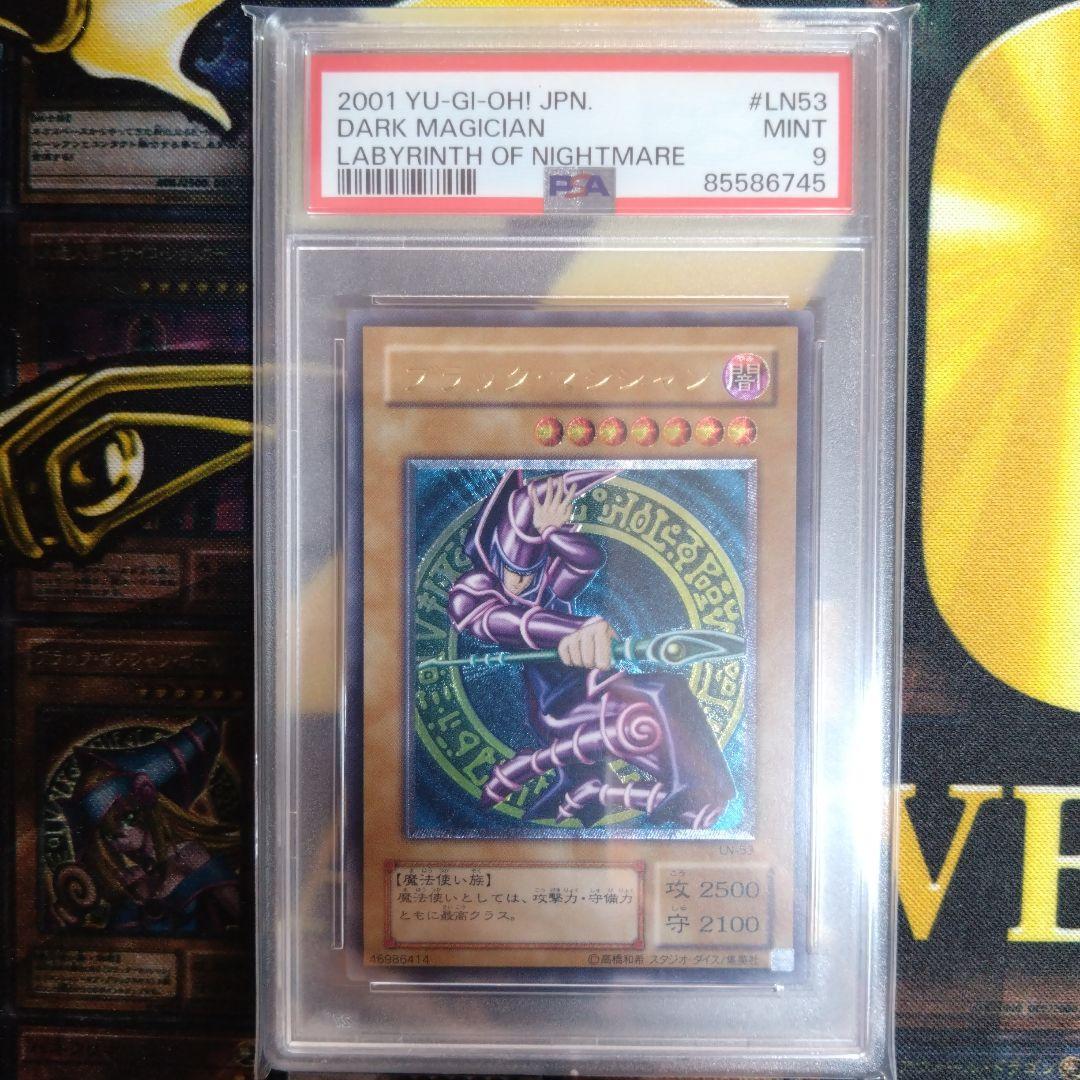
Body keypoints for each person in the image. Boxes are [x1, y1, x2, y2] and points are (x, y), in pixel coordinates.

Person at [448, 468, 734, 828]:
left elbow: (587, 560)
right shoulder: (475, 595)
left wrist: (551, 532)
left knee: (666, 706)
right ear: (493, 559)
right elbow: (507, 623)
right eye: (513, 572)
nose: (522, 583)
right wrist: (574, 630)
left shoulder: (545, 586)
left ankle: (656, 790)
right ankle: (688, 788)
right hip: (560, 705)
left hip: (593, 686)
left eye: (530, 573)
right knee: (662, 692)